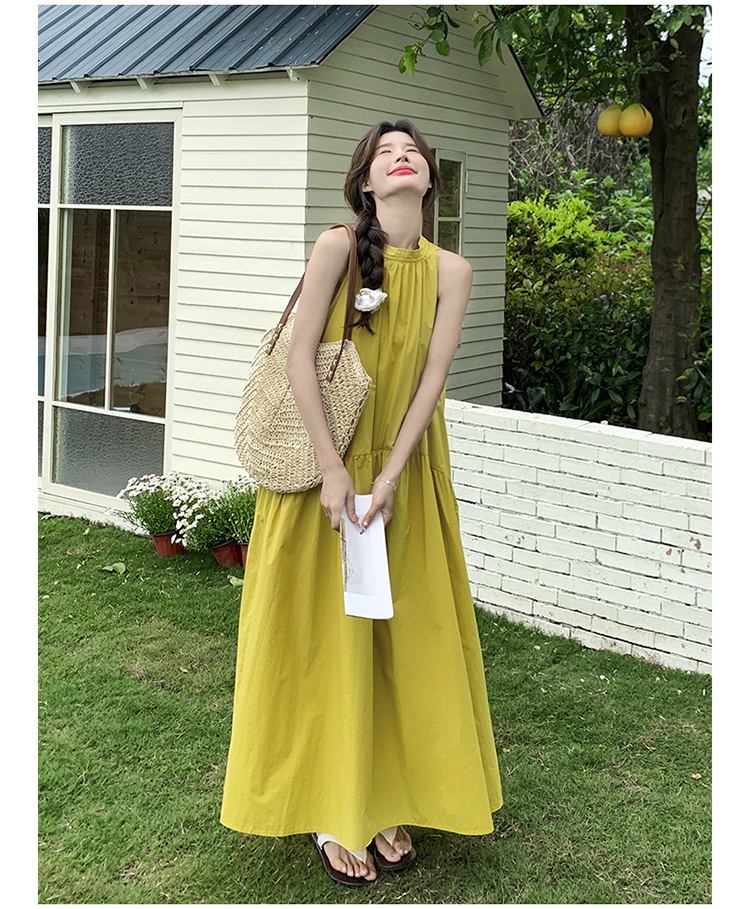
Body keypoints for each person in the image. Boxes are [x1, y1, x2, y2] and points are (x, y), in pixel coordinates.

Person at [221, 120, 503, 886]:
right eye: (385, 152)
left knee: (402, 641)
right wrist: (333, 470)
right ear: (366, 183)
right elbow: (299, 360)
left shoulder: (453, 271)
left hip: (404, 475)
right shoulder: (337, 249)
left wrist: (393, 475)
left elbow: (432, 380)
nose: (401, 156)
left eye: (411, 150)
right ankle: (329, 808)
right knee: (324, 643)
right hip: (325, 472)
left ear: (430, 178)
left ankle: (384, 797)